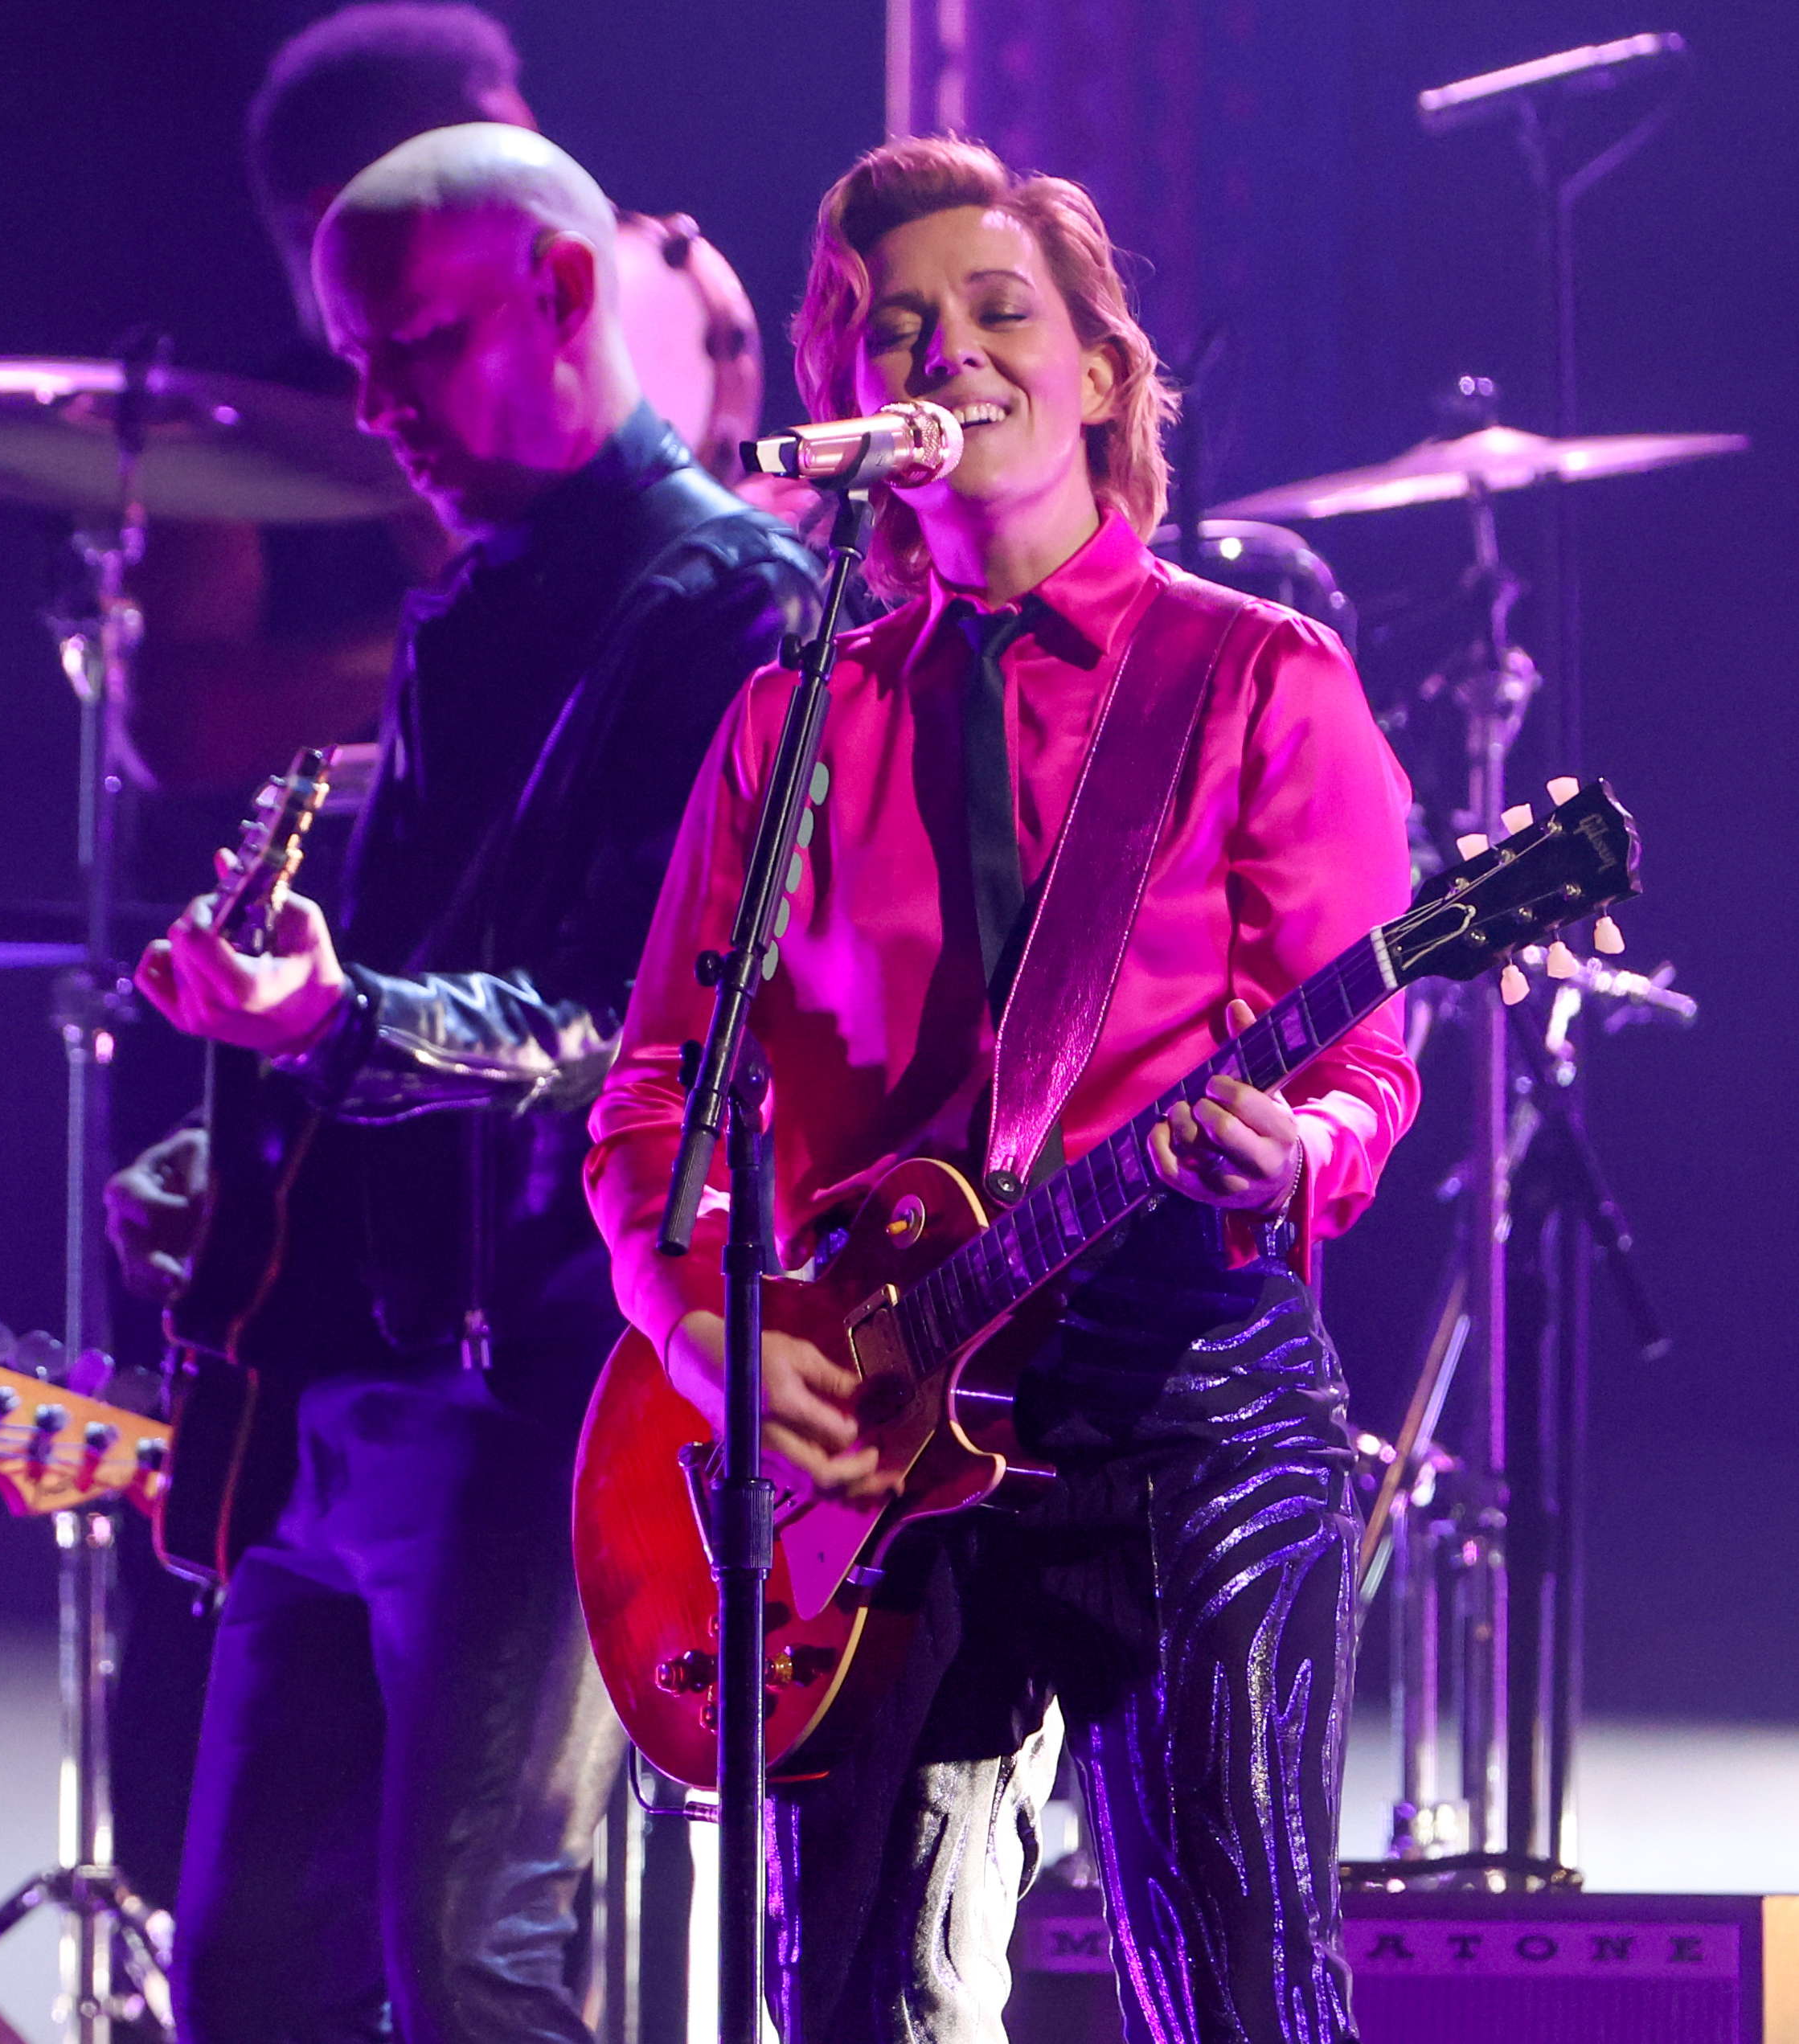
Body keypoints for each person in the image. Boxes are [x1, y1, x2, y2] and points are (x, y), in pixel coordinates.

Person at [583, 138, 1421, 2042]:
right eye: (892, 329)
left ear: (1101, 375)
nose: (943, 352)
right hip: (874, 1435)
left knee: (1232, 1990)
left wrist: (1296, 1143)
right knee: (854, 2005)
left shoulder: (1253, 682)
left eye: (993, 312)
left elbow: (1362, 1061)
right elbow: (651, 1094)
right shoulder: (794, 712)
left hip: (1178, 1393)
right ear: (848, 402)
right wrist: (696, 1326)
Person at [119, 125, 821, 2042]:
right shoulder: (463, 607)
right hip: (343, 1382)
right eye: (353, 355)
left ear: (566, 293)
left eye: (407, 345)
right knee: (247, 1982)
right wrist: (247, 1141)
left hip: (537, 1393)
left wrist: (334, 1029)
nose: (373, 406)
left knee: (469, 1964)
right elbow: (413, 972)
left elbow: (632, 1030)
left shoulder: (736, 610)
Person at [121, 1, 795, 805]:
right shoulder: (231, 446)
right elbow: (182, 730)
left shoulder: (728, 582)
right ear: (337, 211)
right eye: (485, 163)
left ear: (561, 291)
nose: (377, 408)